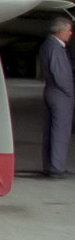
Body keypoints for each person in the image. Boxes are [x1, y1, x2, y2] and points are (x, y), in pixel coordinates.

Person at [38, 18, 74, 177]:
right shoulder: (55, 48)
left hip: (51, 91)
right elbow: (61, 76)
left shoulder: (48, 45)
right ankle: (56, 168)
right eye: (68, 30)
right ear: (60, 31)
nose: (70, 33)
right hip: (60, 94)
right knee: (60, 131)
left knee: (52, 130)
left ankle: (50, 165)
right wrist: (70, 92)